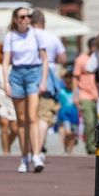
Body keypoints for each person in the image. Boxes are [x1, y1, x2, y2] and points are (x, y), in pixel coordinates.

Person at [2, 7, 48, 173]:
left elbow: (45, 59)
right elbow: (6, 61)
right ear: (15, 19)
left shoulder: (36, 34)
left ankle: (36, 155)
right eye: (22, 17)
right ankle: (24, 157)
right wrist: (6, 83)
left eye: (28, 16)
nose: (26, 19)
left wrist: (43, 80)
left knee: (32, 116)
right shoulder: (10, 36)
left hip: (34, 72)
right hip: (17, 74)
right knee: (21, 119)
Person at [30, 10, 67, 171]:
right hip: (48, 76)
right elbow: (63, 58)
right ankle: (38, 150)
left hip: (28, 75)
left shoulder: (26, 36)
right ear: (43, 22)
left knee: (31, 116)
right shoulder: (51, 37)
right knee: (44, 117)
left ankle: (31, 150)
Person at [71, 35, 99, 155]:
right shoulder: (81, 59)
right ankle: (90, 146)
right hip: (85, 95)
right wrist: (75, 95)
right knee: (89, 121)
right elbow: (75, 78)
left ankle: (98, 144)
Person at [0, 60, 18, 155]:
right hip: (0, 97)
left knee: (15, 128)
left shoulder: (15, 67)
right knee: (4, 124)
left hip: (12, 99)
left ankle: (7, 144)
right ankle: (5, 152)